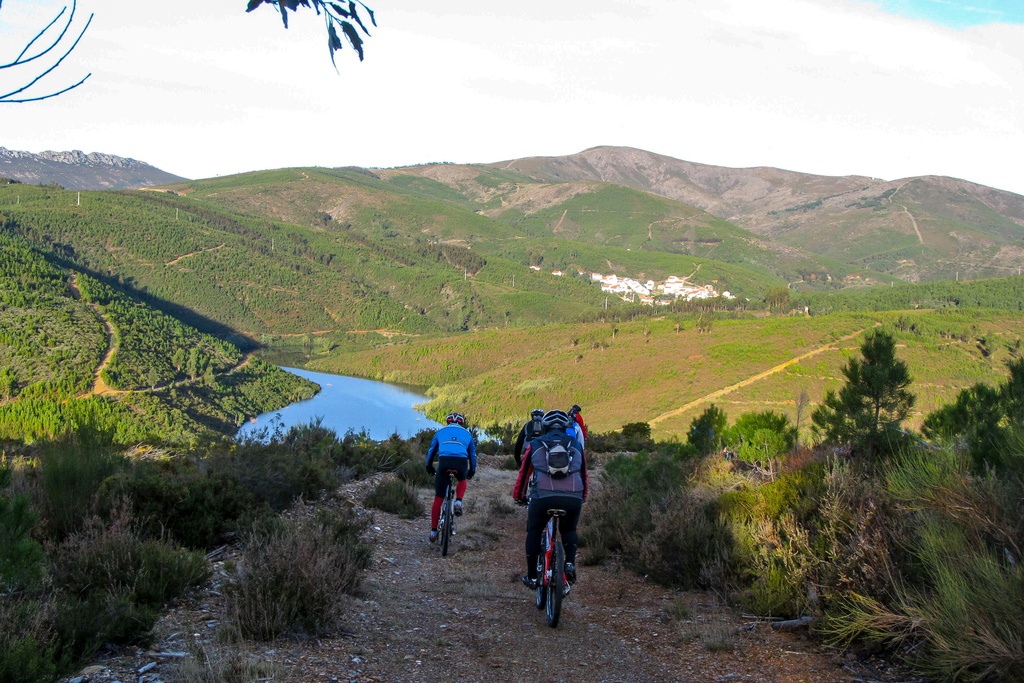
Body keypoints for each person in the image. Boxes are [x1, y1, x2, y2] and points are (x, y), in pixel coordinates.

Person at [512, 409, 587, 588]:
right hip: (572, 498)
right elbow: (584, 475)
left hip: (542, 497)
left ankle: (532, 576)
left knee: (534, 530)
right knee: (569, 529)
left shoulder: (536, 443)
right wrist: (581, 497)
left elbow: (524, 475)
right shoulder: (576, 445)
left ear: (544, 427)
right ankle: (569, 563)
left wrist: (519, 496)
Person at [425, 412, 477, 543]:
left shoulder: (440, 432)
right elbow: (472, 454)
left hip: (444, 462)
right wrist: (472, 470)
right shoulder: (467, 434)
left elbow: (431, 451)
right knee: (462, 479)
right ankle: (458, 501)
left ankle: (433, 531)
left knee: (438, 498)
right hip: (461, 462)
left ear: (447, 422)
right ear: (461, 423)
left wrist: (429, 466)